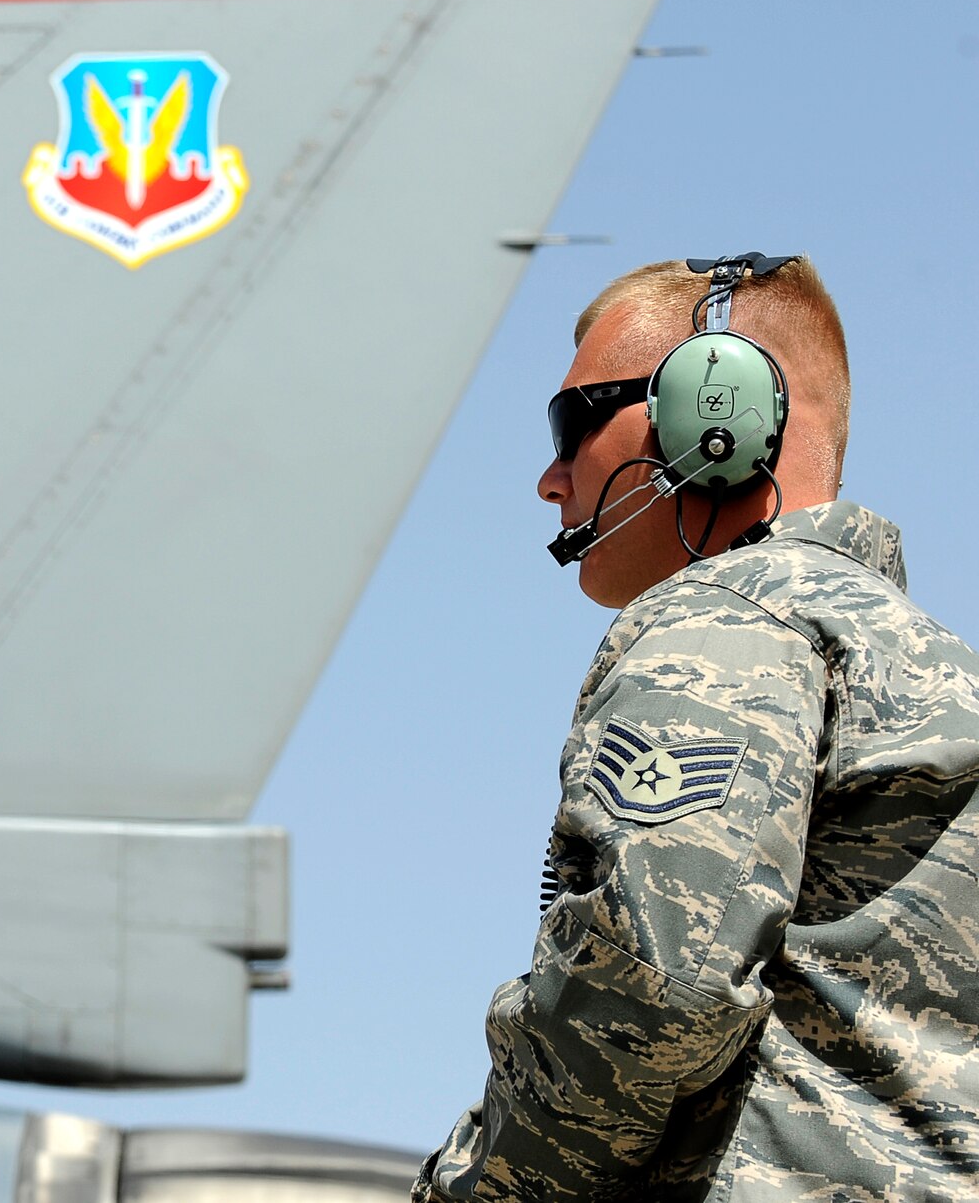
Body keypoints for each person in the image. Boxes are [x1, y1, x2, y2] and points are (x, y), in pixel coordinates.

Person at [413, 257, 979, 1201]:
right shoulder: (934, 671)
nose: (551, 479)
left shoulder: (728, 616)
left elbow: (647, 993)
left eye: (575, 422)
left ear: (714, 415)